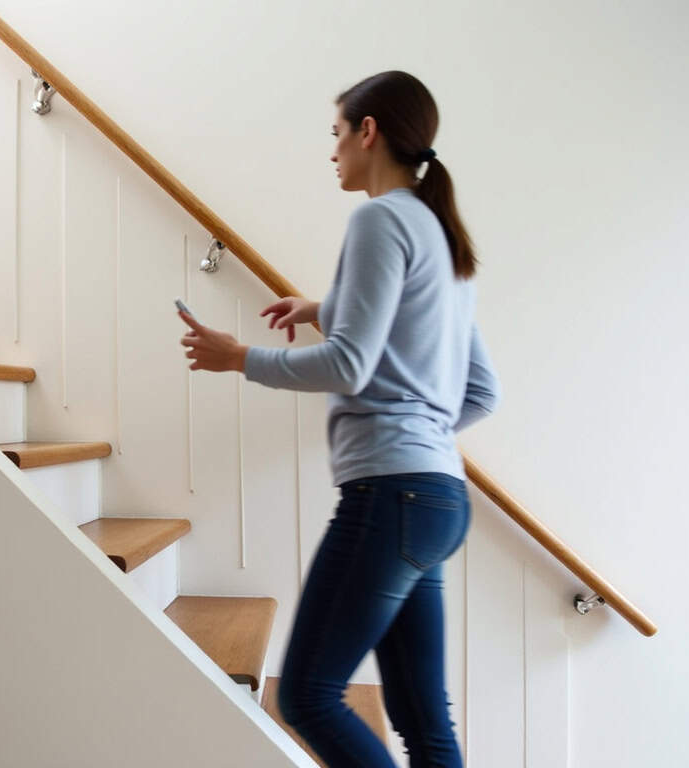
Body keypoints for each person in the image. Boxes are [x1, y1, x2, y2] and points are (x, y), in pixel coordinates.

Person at [177, 70, 501, 767]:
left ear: (368, 131)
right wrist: (327, 308)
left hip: (392, 498)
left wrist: (239, 358)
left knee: (308, 696)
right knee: (424, 722)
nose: (332, 152)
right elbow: (479, 390)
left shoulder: (379, 219)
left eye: (337, 134)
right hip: (438, 499)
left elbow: (351, 364)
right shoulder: (443, 237)